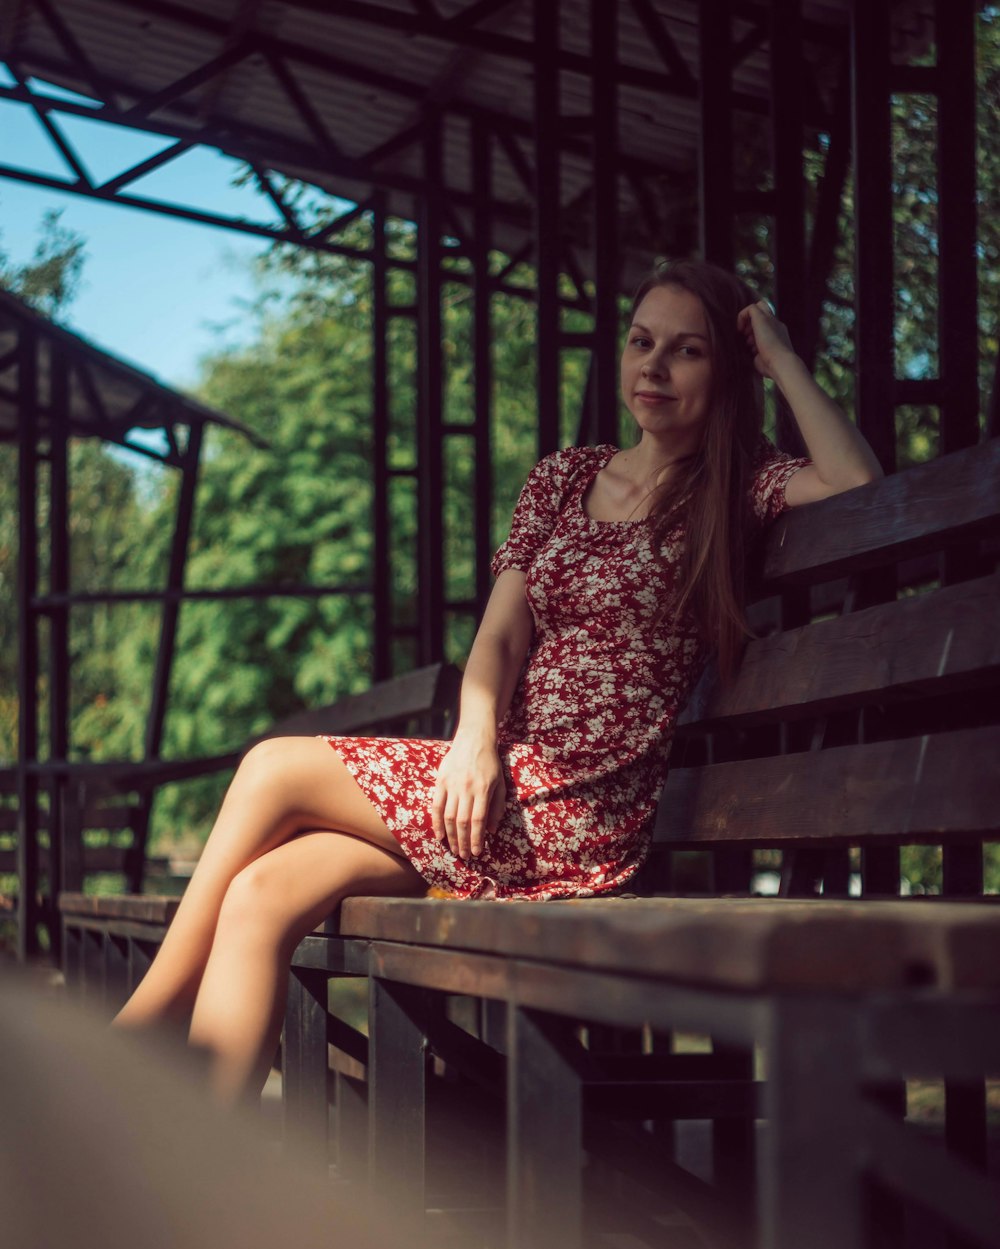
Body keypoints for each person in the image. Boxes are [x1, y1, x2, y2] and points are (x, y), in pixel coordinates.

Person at [113, 259, 883, 1106]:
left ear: (729, 371)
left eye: (688, 350)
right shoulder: (563, 478)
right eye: (641, 343)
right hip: (493, 790)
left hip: (573, 816)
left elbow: (857, 481)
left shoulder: (738, 487)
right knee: (263, 893)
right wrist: (474, 741)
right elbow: (502, 633)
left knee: (271, 768)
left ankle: (134, 1038)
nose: (654, 367)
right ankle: (202, 1166)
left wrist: (775, 350)